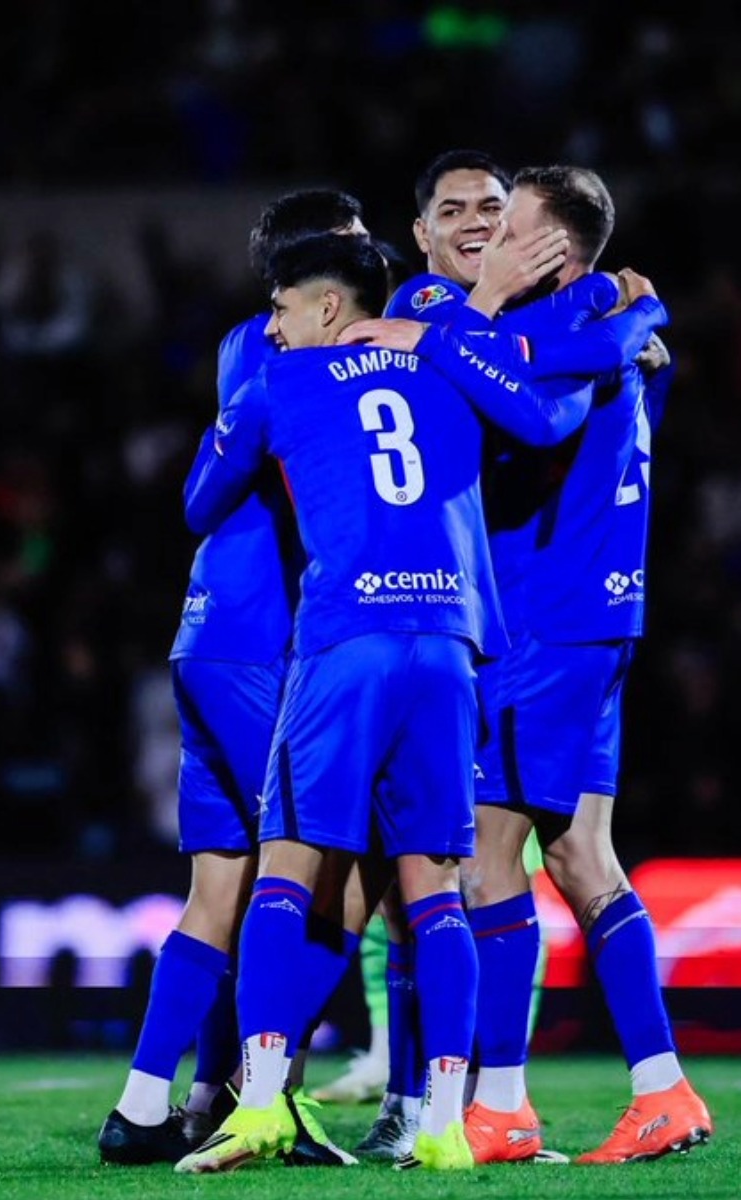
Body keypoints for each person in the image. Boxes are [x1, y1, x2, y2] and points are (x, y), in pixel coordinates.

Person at [170, 231, 632, 1175]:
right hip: (452, 649)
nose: (274, 326)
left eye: (284, 308)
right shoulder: (451, 368)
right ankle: (443, 1122)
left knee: (285, 873)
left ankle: (258, 1106)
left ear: (329, 308)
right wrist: (617, 303)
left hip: (346, 641)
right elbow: (543, 418)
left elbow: (200, 500)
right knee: (436, 892)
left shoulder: (280, 380)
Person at [375, 162, 713, 1165]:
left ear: (556, 244)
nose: (488, 232)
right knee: (577, 857)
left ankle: (503, 1104)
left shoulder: (550, 324)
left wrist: (465, 335)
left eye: (505, 216)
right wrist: (615, 315)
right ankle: (657, 1088)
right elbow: (563, 377)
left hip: (543, 623)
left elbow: (541, 415)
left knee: (488, 858)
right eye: (466, 214)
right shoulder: (476, 304)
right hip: (580, 619)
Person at [97, 188, 372, 1168]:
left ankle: (150, 1104)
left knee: (221, 886)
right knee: (336, 880)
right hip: (269, 640)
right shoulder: (306, 351)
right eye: (351, 248)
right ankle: (267, 1098)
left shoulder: (245, 343)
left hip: (209, 633)